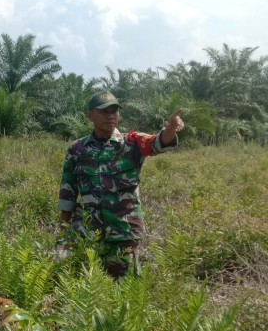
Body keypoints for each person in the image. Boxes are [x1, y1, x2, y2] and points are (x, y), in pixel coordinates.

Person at [56, 92, 184, 279]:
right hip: (86, 233)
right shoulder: (77, 149)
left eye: (114, 111)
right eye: (104, 111)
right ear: (90, 115)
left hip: (123, 232)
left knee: (124, 287)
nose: (110, 115)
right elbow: (67, 192)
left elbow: (159, 142)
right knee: (81, 284)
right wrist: (63, 234)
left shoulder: (133, 143)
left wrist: (170, 129)